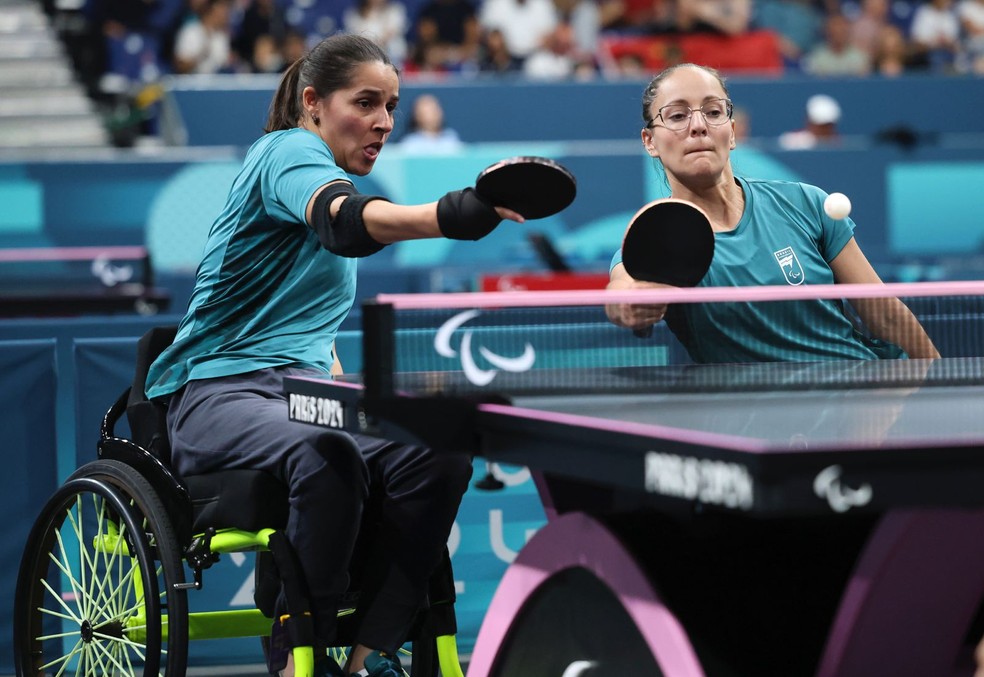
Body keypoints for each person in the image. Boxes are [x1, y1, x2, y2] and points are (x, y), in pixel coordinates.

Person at [144, 33, 525, 677]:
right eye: (367, 102)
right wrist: (449, 214)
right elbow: (343, 221)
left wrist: (346, 389)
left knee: (437, 449)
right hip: (217, 395)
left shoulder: (323, 172)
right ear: (314, 102)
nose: (384, 122)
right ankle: (303, 655)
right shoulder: (287, 151)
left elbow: (311, 337)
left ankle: (368, 653)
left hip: (299, 396)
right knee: (328, 451)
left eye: (393, 106)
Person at [605, 63, 940, 364]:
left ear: (732, 131)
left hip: (863, 396)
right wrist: (628, 306)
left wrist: (943, 387)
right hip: (761, 417)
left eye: (713, 111)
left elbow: (886, 314)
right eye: (677, 116)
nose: (698, 126)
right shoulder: (656, 243)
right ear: (649, 141)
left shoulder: (804, 203)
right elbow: (622, 290)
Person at [397, 93, 463, 153]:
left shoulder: (451, 138)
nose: (434, 114)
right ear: (417, 116)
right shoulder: (410, 144)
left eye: (435, 109)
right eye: (428, 111)